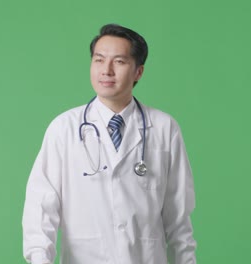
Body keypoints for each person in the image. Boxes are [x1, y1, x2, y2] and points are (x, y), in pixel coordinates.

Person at [22, 24, 196, 264]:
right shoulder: (63, 128)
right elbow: (41, 208)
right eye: (99, 60)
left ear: (138, 72)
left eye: (119, 62)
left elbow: (179, 220)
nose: (107, 70)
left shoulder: (165, 128)